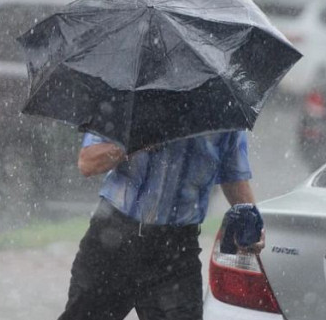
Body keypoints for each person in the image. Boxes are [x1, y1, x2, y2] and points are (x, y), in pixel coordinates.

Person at [59, 130, 264, 320]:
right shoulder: (132, 97)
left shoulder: (218, 107)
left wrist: (250, 217)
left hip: (176, 252)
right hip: (113, 242)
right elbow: (88, 162)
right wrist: (137, 142)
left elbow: (233, 173)